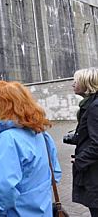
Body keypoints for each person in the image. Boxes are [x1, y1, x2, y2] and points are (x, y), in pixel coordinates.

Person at [0, 81, 61, 216]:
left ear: (5, 105)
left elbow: (5, 188)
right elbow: (55, 174)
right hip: (42, 211)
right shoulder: (42, 134)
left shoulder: (8, 139)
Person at [70, 68, 98, 216]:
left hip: (94, 171)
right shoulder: (89, 105)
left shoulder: (94, 107)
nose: (72, 84)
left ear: (87, 83)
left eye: (76, 81)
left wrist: (80, 160)